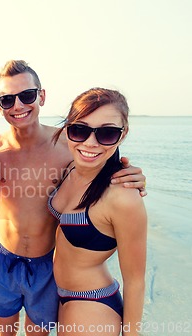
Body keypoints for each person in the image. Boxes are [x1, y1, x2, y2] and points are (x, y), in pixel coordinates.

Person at [0, 60, 147, 336]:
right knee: (5, 333)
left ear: (41, 96)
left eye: (27, 96)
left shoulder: (68, 147)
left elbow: (100, 163)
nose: (18, 106)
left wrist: (133, 178)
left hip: (47, 263)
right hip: (3, 256)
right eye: (7, 99)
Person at [49, 87, 147, 335]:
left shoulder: (123, 196)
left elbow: (135, 281)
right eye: (80, 130)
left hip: (91, 305)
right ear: (68, 130)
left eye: (107, 133)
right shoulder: (71, 167)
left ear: (122, 135)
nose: (90, 143)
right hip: (58, 295)